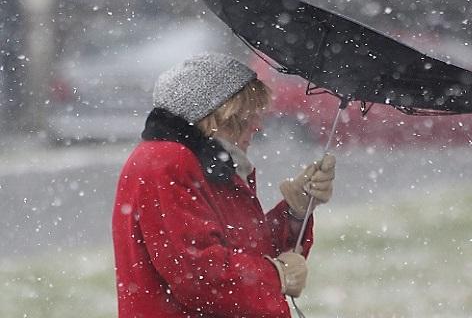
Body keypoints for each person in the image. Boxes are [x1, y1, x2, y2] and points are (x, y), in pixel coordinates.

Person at [112, 54, 336, 318]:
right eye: (249, 115)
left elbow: (246, 247)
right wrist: (276, 276)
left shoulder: (207, 164)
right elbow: (197, 274)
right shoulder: (167, 161)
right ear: (219, 115)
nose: (257, 126)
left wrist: (295, 212)